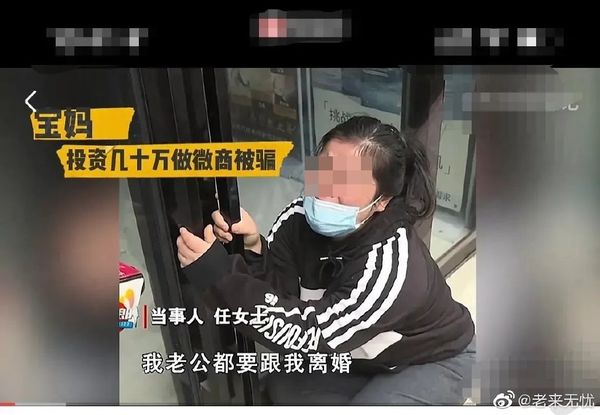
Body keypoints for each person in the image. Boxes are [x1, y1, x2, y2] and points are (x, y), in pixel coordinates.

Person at [176, 116, 476, 405]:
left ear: (382, 201)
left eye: (347, 184)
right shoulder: (297, 218)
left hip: (434, 359)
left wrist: (218, 276)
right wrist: (254, 248)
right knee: (282, 386)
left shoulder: (390, 266)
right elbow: (281, 297)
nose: (327, 193)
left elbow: (305, 333)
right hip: (366, 354)